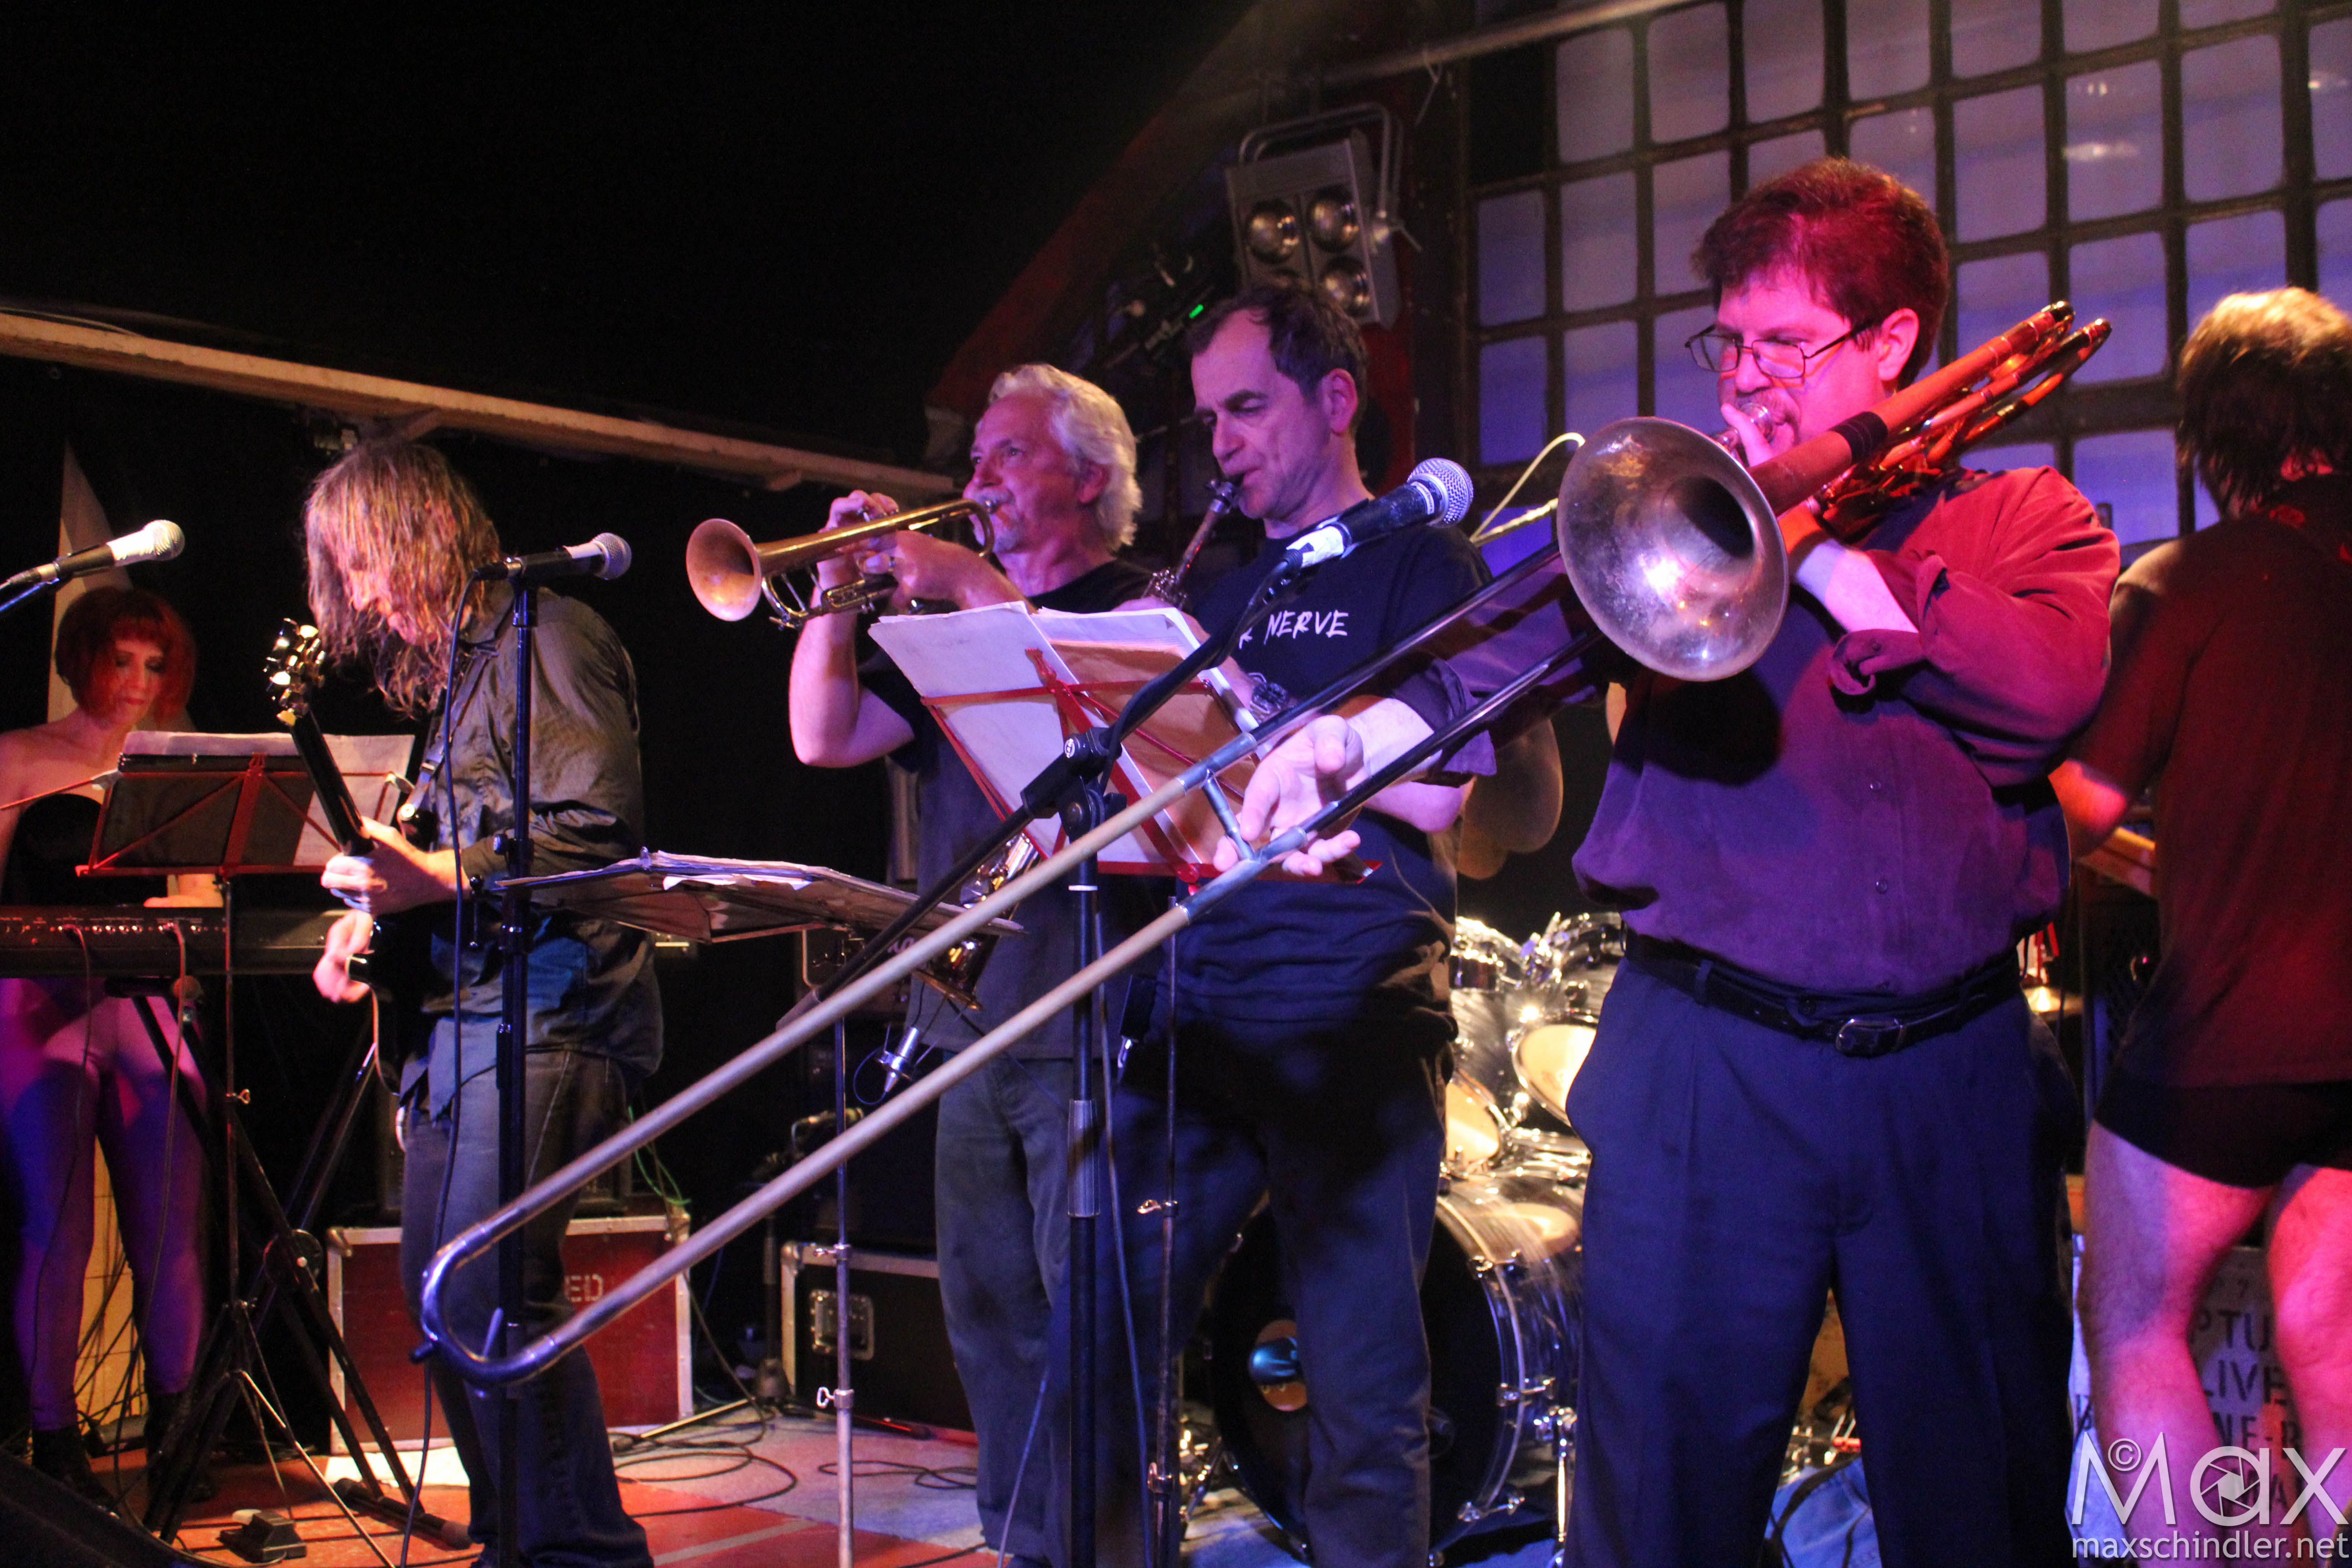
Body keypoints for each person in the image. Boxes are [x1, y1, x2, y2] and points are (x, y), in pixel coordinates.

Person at [1235, 161, 2116, 1566]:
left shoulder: (2025, 522)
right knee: (1657, 1507)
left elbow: (2046, 691)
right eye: (1732, 341)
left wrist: (1808, 547)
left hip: (1947, 1078)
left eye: (1788, 342)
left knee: (1980, 1503)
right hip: (1708, 1065)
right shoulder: (1673, 524)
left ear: (1894, 343)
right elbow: (1507, 650)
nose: (1748, 376)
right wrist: (1354, 742)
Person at [1056, 277, 1487, 1568]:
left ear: (1335, 399)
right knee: (1101, 1339)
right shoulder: (1223, 588)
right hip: (1195, 1004)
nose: (1223, 443)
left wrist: (1270, 717)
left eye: (1247, 408)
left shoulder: (1425, 563)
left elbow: (1446, 787)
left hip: (1349, 1008)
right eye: (1209, 420)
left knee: (1361, 1382)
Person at [788, 363, 1159, 1568]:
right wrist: (837, 596)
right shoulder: (952, 635)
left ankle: (1101, 1548)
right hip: (966, 1013)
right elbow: (822, 735)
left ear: (1089, 478)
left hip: (1087, 1007)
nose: (977, 479)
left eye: (1009, 454)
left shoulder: (1139, 606)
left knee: (1089, 1313)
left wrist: (966, 583)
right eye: (978, 457)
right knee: (988, 1309)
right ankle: (1022, 1538)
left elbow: (1091, 729)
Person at [304, 439, 658, 1568]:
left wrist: (436, 878)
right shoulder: (457, 679)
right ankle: (519, 1545)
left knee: (491, 1290)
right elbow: (445, 855)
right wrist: (375, 915)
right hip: (463, 1019)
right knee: (440, 1296)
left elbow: (596, 834)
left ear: (420, 535)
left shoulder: (551, 634)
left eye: (365, 563)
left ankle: (588, 1557)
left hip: (554, 1008)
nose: (361, 595)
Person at [2058, 288, 2352, 1547]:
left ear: (2215, 432)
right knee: (2335, 1339)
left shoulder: (2187, 584)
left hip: (2233, 1035)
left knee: (2132, 1319)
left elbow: (2080, 806)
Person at [0, 586, 207, 1503]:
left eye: (154, 665)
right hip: (37, 1001)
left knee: (170, 1229)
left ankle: (178, 1432)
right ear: (83, 658)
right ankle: (56, 1444)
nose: (136, 680)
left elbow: (199, 900)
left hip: (146, 1003)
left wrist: (180, 932)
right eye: (120, 660)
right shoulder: (19, 756)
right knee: (57, 1230)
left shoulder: (174, 767)